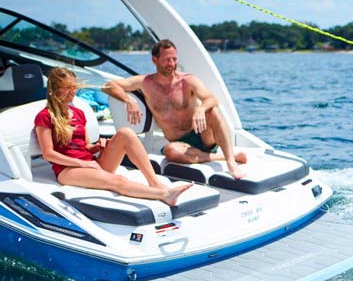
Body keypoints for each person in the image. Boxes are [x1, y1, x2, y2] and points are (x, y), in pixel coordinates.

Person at [34, 67, 193, 206]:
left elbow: (86, 146)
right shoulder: (45, 116)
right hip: (68, 170)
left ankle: (155, 183)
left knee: (126, 133)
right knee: (119, 181)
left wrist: (98, 146)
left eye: (74, 86)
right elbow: (48, 154)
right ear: (54, 89)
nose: (73, 91)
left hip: (91, 163)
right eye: (68, 87)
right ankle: (165, 195)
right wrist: (83, 164)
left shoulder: (78, 113)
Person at [102, 39, 247, 179]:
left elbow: (211, 98)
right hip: (180, 144)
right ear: (155, 60)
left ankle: (231, 162)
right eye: (166, 59)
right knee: (170, 152)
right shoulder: (145, 83)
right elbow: (108, 86)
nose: (171, 64)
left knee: (213, 111)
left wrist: (201, 108)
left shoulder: (188, 80)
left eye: (174, 59)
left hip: (202, 134)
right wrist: (129, 100)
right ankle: (223, 156)